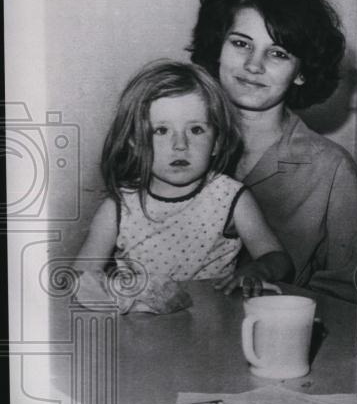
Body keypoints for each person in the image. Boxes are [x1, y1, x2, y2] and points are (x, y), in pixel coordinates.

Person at [189, 0, 357, 301]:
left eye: (278, 53)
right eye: (241, 43)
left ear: (301, 73)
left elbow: (351, 301)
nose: (253, 65)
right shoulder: (169, 142)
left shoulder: (332, 170)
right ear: (217, 47)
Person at [74, 61, 292, 291]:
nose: (180, 145)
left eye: (196, 130)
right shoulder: (119, 206)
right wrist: (97, 286)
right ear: (135, 142)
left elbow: (279, 259)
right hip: (141, 323)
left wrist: (257, 270)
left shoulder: (229, 197)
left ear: (217, 142)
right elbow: (81, 274)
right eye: (161, 130)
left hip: (211, 322)